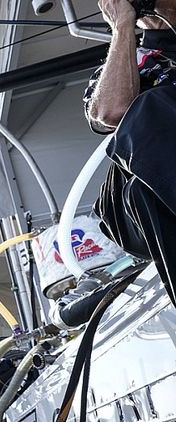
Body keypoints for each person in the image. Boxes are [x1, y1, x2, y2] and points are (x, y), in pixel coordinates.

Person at [84, 0, 176, 306]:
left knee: (143, 192)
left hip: (149, 197)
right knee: (148, 109)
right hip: (131, 207)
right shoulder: (127, 60)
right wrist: (123, 26)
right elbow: (111, 111)